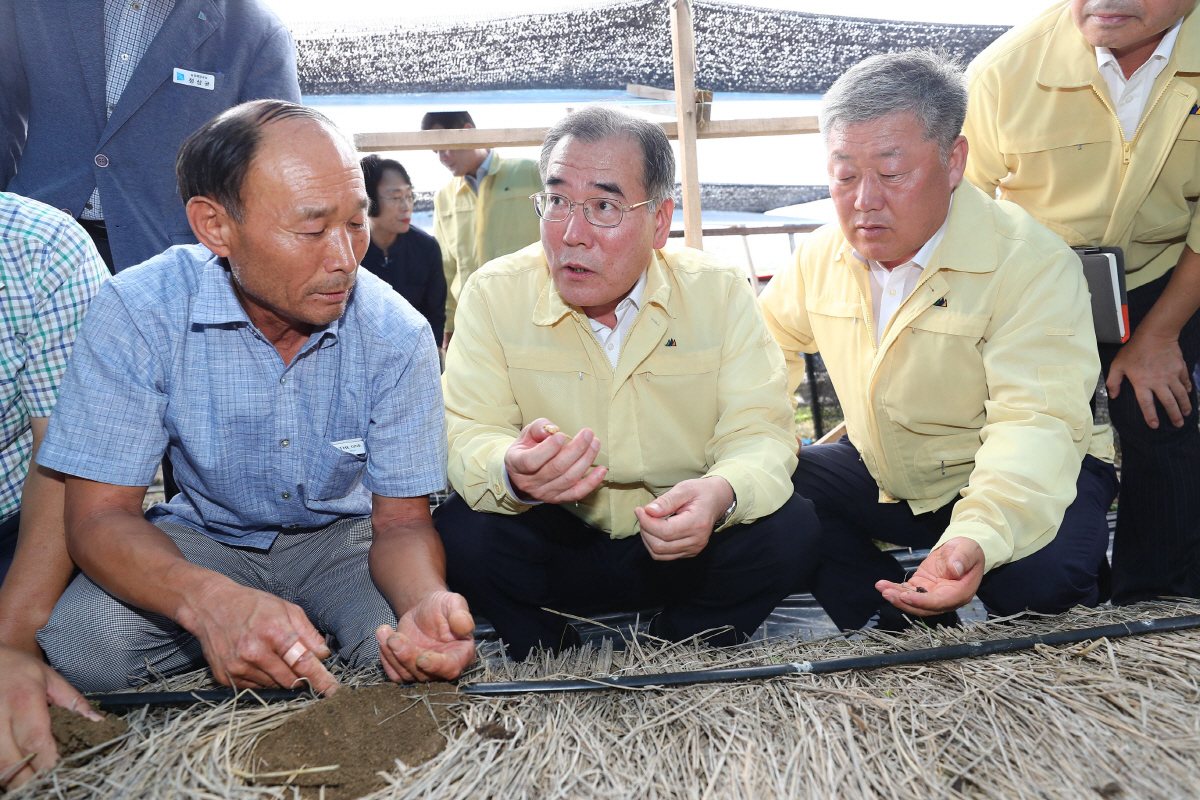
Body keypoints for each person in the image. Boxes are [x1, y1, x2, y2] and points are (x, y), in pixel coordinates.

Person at [33, 101, 474, 694]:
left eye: (355, 222)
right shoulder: (139, 312)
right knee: (84, 649)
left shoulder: (398, 333)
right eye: (313, 229)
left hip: (347, 545)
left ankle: (293, 638)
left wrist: (424, 600)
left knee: (401, 655)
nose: (346, 259)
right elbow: (98, 517)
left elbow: (399, 523)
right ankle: (262, 634)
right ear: (215, 226)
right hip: (209, 538)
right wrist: (208, 601)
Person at [435, 106, 820, 660]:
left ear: (660, 221)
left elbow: (761, 432)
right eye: (558, 200)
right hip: (554, 541)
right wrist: (511, 471)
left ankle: (677, 645)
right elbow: (468, 430)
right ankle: (552, 654)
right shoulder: (495, 293)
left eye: (603, 206)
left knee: (791, 528)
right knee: (460, 532)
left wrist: (718, 494)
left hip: (679, 544)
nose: (571, 234)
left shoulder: (719, 291)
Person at [761, 51, 1120, 631]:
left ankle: (1038, 589)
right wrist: (762, 437)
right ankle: (895, 626)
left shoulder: (1029, 263)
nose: (863, 201)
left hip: (1030, 466)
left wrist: (975, 534)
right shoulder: (821, 256)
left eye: (892, 173)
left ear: (954, 161)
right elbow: (760, 348)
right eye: (845, 174)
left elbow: (1035, 423)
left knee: (1040, 587)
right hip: (893, 474)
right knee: (774, 483)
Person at [962, 0, 1200, 604]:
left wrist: (1160, 335)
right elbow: (959, 206)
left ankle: (1155, 607)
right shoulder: (1002, 73)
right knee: (1040, 425)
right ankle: (1062, 602)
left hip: (1167, 271)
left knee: (1164, 417)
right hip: (1039, 286)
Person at [0, 0, 302, 272]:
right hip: (29, 247)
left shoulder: (257, 31)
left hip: (168, 263)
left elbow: (276, 172)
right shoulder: (27, 6)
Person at [0, 192, 107, 791]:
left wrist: (10, 644)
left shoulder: (42, 251)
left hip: (20, 516)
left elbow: (66, 457)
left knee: (84, 648)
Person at [421, 111, 542, 349]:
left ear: (468, 131)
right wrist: (448, 326)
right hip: (473, 322)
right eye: (435, 152)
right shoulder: (444, 197)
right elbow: (445, 266)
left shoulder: (531, 173)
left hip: (532, 316)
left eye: (445, 147)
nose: (442, 158)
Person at [359, 155, 447, 344]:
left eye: (409, 195)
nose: (407, 206)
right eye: (396, 197)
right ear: (368, 199)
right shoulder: (348, 249)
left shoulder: (426, 248)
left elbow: (435, 316)